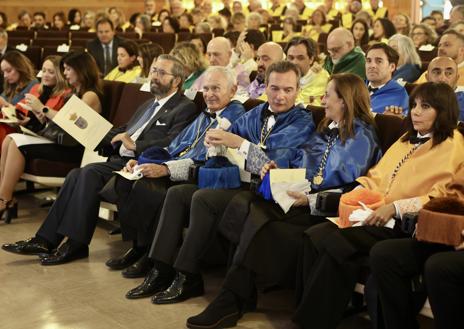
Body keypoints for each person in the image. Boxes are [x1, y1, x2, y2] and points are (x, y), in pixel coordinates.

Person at [185, 73, 382, 329]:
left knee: (257, 217)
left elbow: (349, 184)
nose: (322, 100)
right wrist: (278, 169)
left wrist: (309, 197)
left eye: (328, 95)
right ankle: (233, 298)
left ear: (344, 101)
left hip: (324, 207)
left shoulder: (361, 137)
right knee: (249, 206)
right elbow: (303, 160)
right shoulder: (327, 129)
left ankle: (232, 299)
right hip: (299, 194)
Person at [124, 61, 316, 303]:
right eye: (275, 88)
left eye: (288, 90)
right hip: (236, 180)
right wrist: (215, 144)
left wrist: (239, 144)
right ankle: (160, 268)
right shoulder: (255, 113)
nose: (280, 96)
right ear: (265, 87)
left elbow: (274, 166)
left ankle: (188, 275)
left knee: (202, 198)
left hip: (265, 191)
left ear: (298, 90)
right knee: (178, 194)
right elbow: (224, 146)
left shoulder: (302, 121)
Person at [292, 81, 464, 329]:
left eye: (425, 106)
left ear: (443, 110)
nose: (415, 112)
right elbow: (376, 175)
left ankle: (312, 322)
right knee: (315, 235)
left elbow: (443, 198)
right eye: (413, 105)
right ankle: (312, 313)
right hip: (371, 209)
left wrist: (394, 208)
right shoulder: (407, 139)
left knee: (338, 242)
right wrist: (356, 194)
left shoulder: (454, 145)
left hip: (404, 221)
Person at [1, 55, 198, 265]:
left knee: (88, 173)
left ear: (176, 80)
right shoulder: (149, 104)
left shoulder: (184, 107)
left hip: (144, 162)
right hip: (121, 159)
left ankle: (75, 244)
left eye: (161, 72)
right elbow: (123, 130)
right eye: (153, 71)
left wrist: (133, 145)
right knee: (76, 174)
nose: (154, 76)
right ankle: (45, 240)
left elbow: (173, 142)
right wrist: (98, 135)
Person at [105, 66, 245, 278]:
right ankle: (140, 246)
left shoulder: (235, 117)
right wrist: (141, 161)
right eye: (205, 88)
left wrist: (165, 169)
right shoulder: (205, 113)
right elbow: (175, 146)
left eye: (216, 88)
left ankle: (153, 257)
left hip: (202, 175)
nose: (209, 94)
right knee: (128, 181)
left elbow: (206, 160)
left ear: (233, 90)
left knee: (149, 188)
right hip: (177, 166)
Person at [0, 54, 83, 222]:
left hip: (61, 143)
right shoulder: (42, 90)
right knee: (9, 140)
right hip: (44, 135)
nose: (45, 75)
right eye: (44, 70)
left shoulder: (66, 94)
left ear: (59, 75)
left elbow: (63, 125)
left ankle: (3, 200)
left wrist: (41, 111)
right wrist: (29, 120)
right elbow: (42, 123)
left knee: (14, 141)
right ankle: (7, 198)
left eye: (51, 72)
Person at [365, 43, 409, 115]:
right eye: (369, 61)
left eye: (379, 61)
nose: (372, 66)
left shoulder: (400, 96)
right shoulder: (355, 87)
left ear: (392, 67)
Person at [285, 37, 330, 106]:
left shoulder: (322, 78)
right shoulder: (280, 76)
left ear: (311, 59)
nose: (294, 62)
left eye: (300, 58)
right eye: (291, 58)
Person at [426, 56, 464, 120]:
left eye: (449, 73)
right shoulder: (416, 101)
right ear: (427, 77)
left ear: (457, 78)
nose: (442, 79)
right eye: (437, 72)